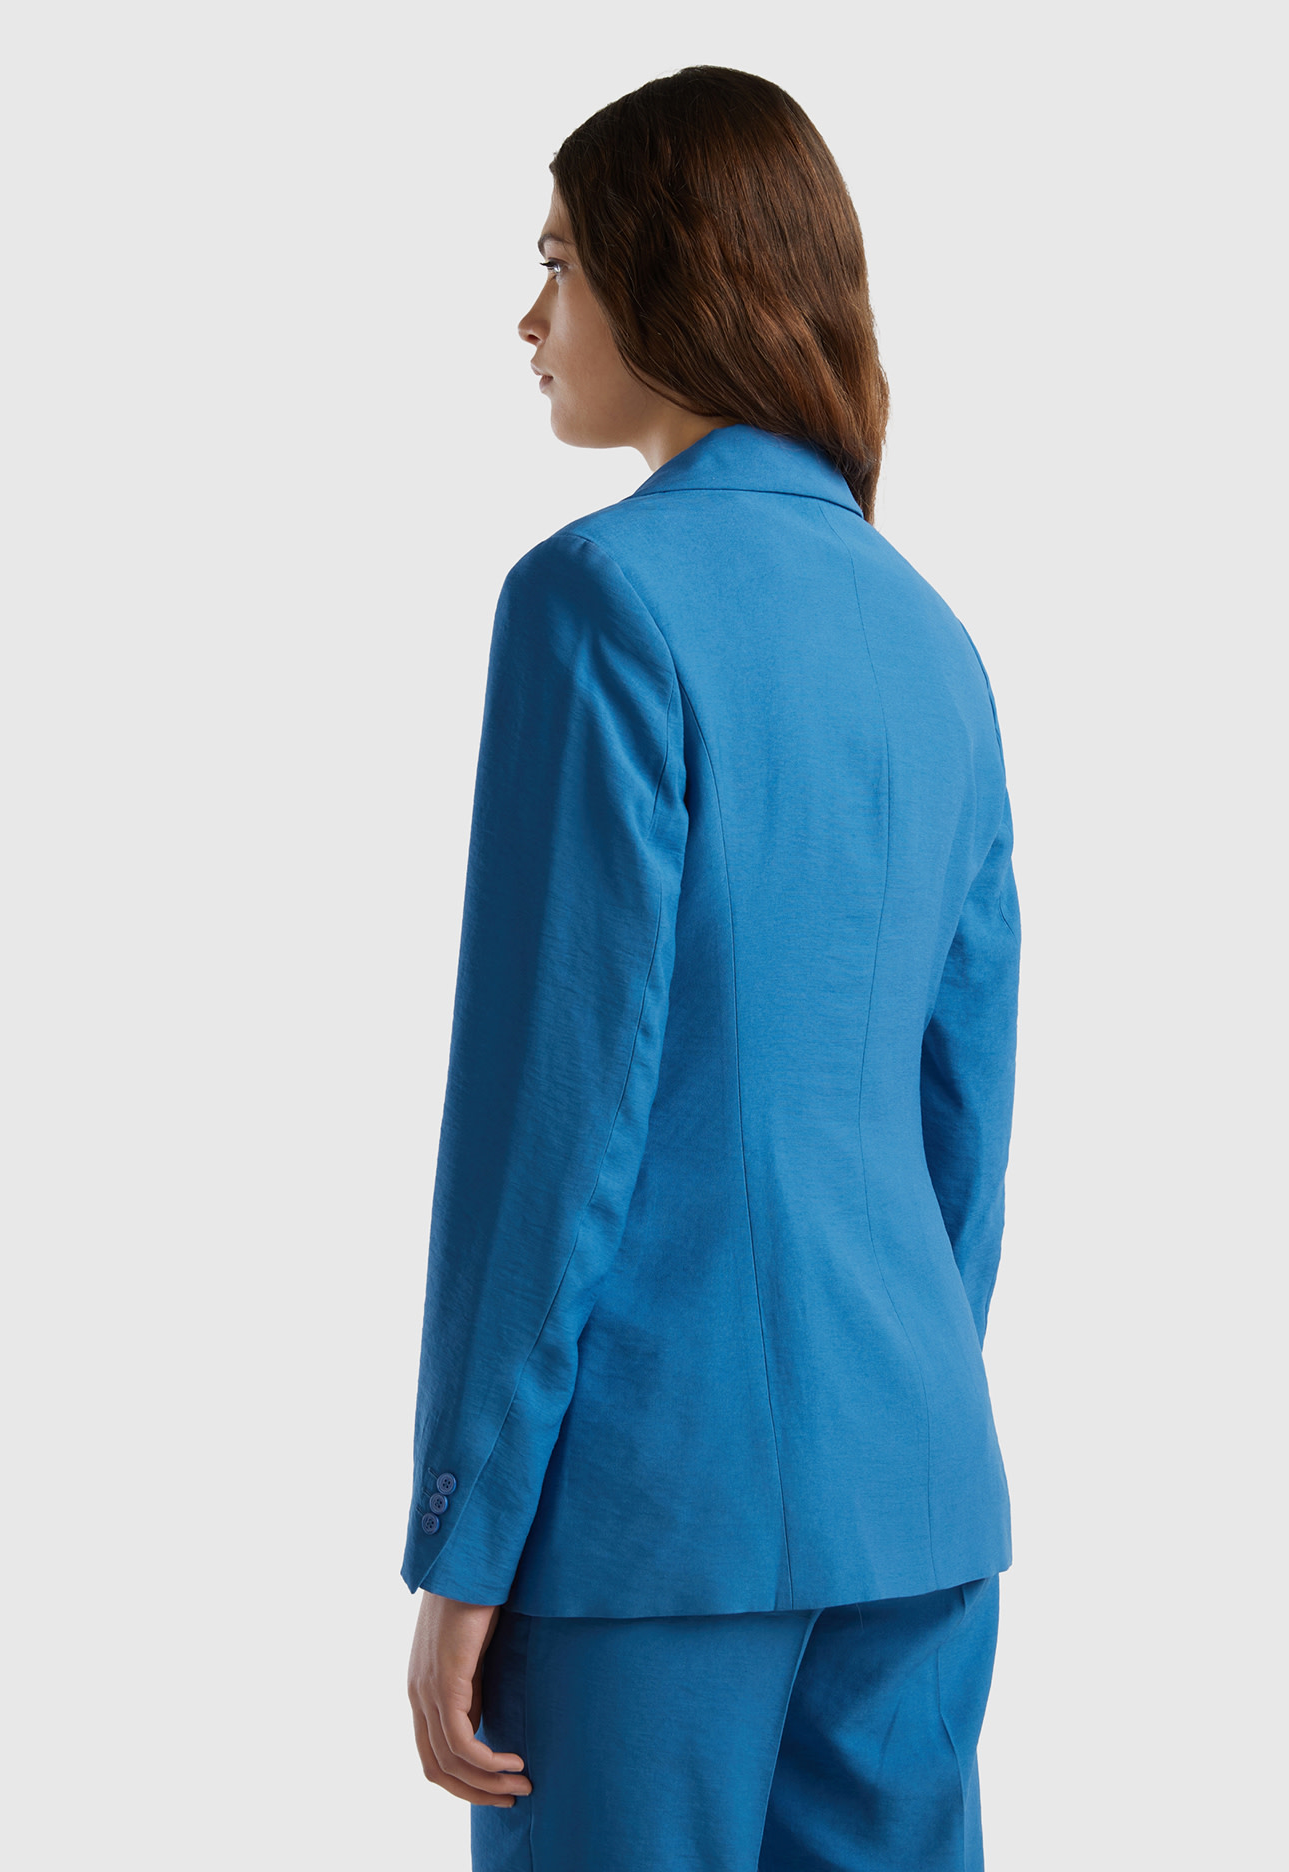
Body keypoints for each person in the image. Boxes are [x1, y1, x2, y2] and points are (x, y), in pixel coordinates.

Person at [401, 66, 1021, 1872]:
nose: (530, 319)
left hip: (655, 1514)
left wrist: (466, 1534)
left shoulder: (598, 598)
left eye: (560, 265)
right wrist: (889, 1410)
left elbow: (553, 1117)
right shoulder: (935, 641)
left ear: (670, 277)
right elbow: (965, 1110)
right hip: (913, 1490)